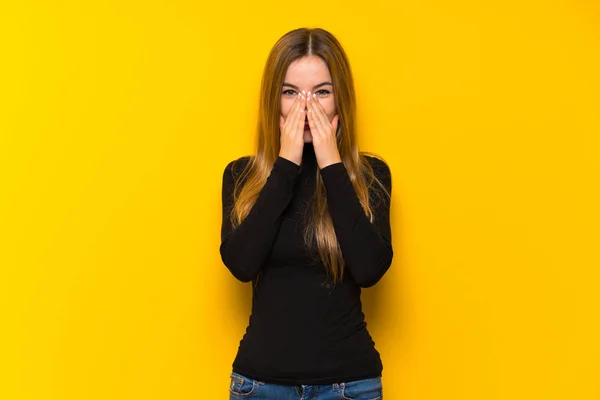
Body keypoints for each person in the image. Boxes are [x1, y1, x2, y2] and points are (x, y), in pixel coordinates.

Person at [220, 27, 393, 400]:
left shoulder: (371, 176)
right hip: (261, 386)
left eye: (321, 92)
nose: (306, 105)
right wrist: (285, 164)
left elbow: (369, 269)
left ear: (339, 101)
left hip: (349, 386)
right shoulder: (241, 176)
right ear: (274, 101)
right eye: (291, 92)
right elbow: (240, 264)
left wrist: (332, 164)